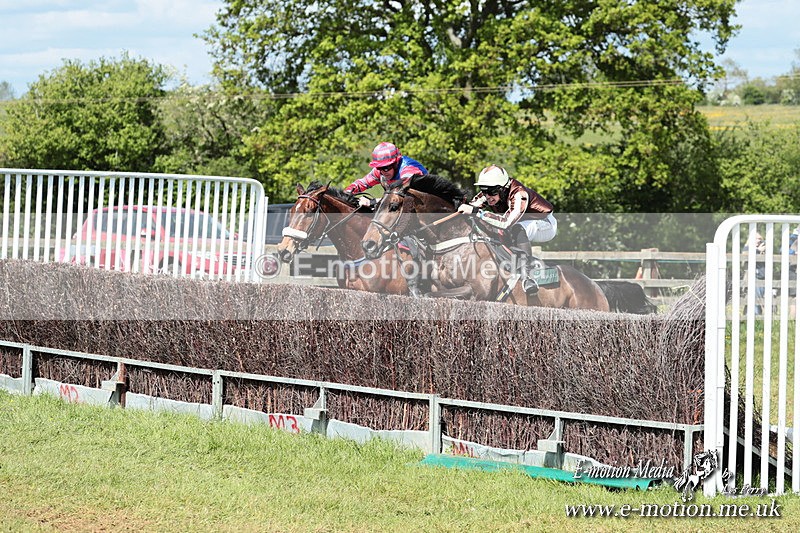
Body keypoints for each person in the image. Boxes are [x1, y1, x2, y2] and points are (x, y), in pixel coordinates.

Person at [457, 165, 556, 295]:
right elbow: (471, 206)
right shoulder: (491, 192)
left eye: (492, 192)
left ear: (503, 189)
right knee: (494, 228)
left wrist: (478, 213)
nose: (488, 196)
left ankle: (528, 277)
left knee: (516, 228)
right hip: (520, 222)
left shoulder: (519, 195)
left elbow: (505, 223)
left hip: (546, 224)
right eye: (484, 191)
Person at [344, 142, 428, 208]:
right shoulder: (380, 171)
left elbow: (401, 199)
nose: (384, 172)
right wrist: (346, 195)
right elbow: (361, 183)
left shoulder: (409, 170)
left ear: (396, 163)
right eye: (380, 168)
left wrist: (372, 202)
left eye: (387, 167)